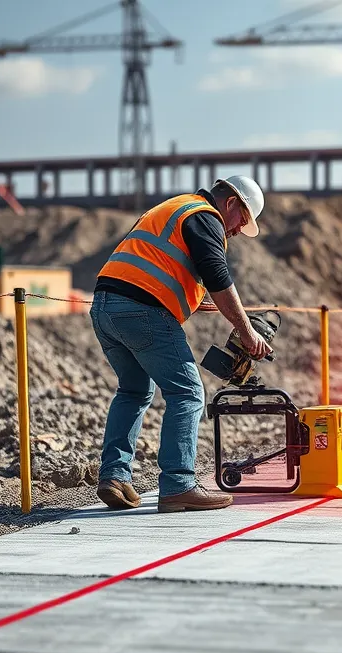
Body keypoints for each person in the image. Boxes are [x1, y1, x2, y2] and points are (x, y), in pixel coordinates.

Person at [90, 175, 271, 513]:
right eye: (241, 221)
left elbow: (159, 265)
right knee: (187, 393)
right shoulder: (206, 216)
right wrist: (246, 331)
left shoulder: (175, 208)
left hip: (104, 307)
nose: (235, 231)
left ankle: (114, 476)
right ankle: (179, 484)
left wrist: (193, 300)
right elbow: (217, 275)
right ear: (230, 203)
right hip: (141, 310)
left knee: (133, 392)